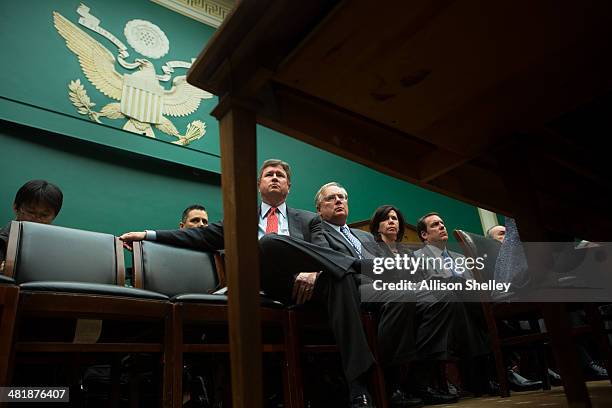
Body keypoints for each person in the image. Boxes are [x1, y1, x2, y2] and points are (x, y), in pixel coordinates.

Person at [120, 160, 391, 407]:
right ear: (260, 185)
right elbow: (198, 237)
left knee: (340, 279)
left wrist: (317, 274)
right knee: (271, 242)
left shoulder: (309, 219)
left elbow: (322, 251)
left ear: (288, 186)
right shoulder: (242, 218)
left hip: (299, 285)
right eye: (269, 175)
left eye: (280, 175)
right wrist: (147, 234)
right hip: (259, 282)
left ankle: (358, 385)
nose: (274, 178)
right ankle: (362, 266)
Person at [316, 183, 458, 406]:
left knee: (442, 299)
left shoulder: (362, 237)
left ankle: (417, 378)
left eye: (343, 197)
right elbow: (333, 264)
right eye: (331, 198)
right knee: (403, 295)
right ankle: (390, 383)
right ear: (319, 208)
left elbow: (384, 266)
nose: (338, 201)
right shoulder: (318, 231)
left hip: (383, 286)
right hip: (352, 289)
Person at [1, 180, 63, 264]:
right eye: (31, 212)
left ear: (54, 216)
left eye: (44, 215)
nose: (36, 220)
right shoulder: (2, 241)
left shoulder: (57, 246)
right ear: (16, 208)